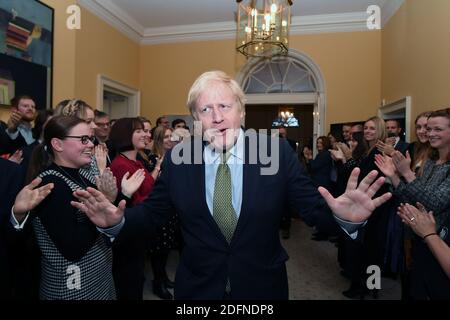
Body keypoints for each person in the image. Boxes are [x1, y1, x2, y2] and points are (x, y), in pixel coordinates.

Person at [72, 70, 392, 300]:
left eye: (225, 106)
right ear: (196, 118)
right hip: (198, 289)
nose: (217, 117)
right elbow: (154, 214)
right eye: (205, 109)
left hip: (262, 287)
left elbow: (311, 207)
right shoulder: (179, 159)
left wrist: (346, 217)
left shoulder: (275, 152)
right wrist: (118, 221)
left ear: (241, 110)